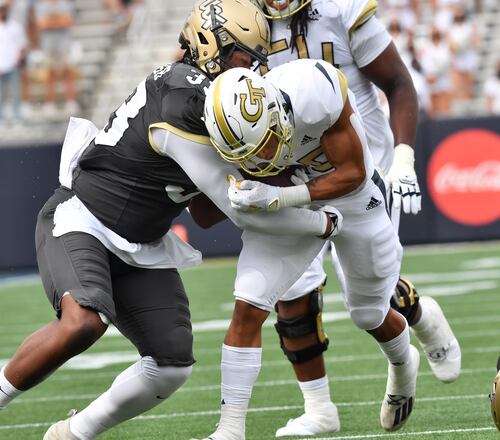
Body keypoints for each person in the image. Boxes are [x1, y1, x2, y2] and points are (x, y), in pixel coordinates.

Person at [0, 2, 341, 439]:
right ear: (209, 45)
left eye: (256, 61)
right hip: (82, 220)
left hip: (140, 243)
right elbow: (237, 208)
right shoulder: (183, 97)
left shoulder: (213, 96)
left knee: (171, 363)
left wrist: (259, 171)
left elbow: (202, 210)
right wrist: (318, 222)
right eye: (242, 58)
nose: (250, 71)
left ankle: (71, 433)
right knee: (83, 322)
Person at [227, 0, 460, 436]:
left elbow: (398, 83)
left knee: (370, 298)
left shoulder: (342, 9)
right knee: (291, 291)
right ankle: (318, 408)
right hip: (289, 170)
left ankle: (421, 318)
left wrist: (404, 159)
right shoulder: (241, 18)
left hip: (360, 168)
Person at [198, 61, 420, 439]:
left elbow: (352, 173)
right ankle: (230, 429)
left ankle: (403, 362)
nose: (266, 155)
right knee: (250, 300)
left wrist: (281, 195)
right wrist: (236, 196)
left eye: (268, 141)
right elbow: (203, 212)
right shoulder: (227, 135)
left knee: (368, 313)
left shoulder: (312, 93)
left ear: (275, 110)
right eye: (253, 151)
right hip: (288, 206)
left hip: (353, 200)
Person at [0, 0, 27, 123]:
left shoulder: (15, 26)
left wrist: (19, 59)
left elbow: (22, 45)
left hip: (12, 65)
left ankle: (18, 118)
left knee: (16, 94)